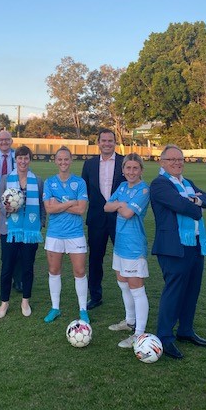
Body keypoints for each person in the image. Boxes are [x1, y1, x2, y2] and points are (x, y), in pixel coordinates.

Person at [150, 144, 206, 359]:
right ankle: (165, 337)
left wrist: (195, 200)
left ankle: (185, 330)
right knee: (174, 291)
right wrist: (196, 203)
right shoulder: (159, 184)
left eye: (180, 159)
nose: (177, 163)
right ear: (162, 162)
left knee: (191, 290)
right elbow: (185, 207)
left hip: (195, 244)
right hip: (173, 246)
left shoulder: (186, 183)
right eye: (172, 160)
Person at [104, 154, 151, 348]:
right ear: (123, 170)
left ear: (141, 170)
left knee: (137, 289)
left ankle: (139, 334)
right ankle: (130, 321)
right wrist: (121, 204)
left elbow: (128, 213)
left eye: (135, 168)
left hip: (133, 245)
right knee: (123, 283)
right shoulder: (122, 187)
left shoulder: (144, 189)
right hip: (120, 244)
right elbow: (107, 206)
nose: (131, 172)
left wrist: (120, 205)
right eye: (128, 168)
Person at [0, 145, 44, 319]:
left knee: (27, 267)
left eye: (26, 158)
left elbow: (41, 203)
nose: (23, 161)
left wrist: (41, 223)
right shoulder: (5, 179)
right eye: (20, 158)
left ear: (30, 160)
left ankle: (25, 301)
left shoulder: (37, 180)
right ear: (15, 160)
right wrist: (7, 209)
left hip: (30, 230)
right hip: (10, 229)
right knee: (7, 267)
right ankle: (4, 302)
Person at [42, 147, 89, 324]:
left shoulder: (80, 182)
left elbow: (81, 209)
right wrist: (70, 202)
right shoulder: (49, 182)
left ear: (71, 160)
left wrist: (59, 204)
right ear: (55, 161)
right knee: (54, 270)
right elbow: (48, 209)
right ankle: (55, 308)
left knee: (80, 271)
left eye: (66, 159)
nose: (63, 162)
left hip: (75, 234)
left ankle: (83, 309)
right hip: (54, 234)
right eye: (60, 159)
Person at [81, 129, 125, 310]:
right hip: (97, 219)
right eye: (104, 140)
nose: (107, 144)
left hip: (120, 218)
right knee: (95, 258)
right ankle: (95, 295)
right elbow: (85, 192)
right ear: (98, 142)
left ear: (115, 142)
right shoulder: (89, 164)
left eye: (110, 141)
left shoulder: (124, 162)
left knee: (123, 257)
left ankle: (129, 294)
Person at [0, 129, 22, 292]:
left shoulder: (18, 156)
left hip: (14, 203)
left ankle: (17, 279)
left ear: (11, 141)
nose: (3, 142)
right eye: (0, 140)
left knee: (14, 239)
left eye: (6, 139)